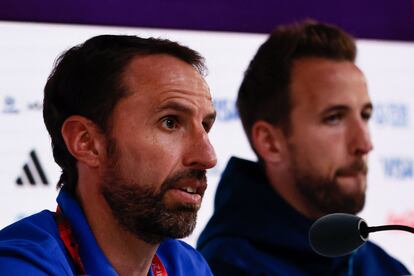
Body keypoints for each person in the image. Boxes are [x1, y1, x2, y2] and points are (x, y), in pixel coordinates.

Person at [197, 20, 410, 275]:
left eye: (364, 115)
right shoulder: (224, 267)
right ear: (270, 142)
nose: (364, 144)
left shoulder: (384, 268)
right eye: (334, 118)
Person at [0, 35, 217, 275]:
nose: (208, 157)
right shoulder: (18, 267)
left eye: (205, 126)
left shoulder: (187, 266)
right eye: (170, 122)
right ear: (87, 142)